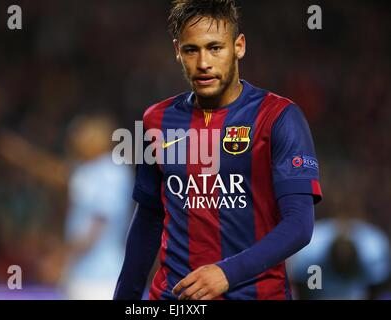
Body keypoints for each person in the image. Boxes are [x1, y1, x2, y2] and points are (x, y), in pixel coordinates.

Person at [114, 0, 322, 300]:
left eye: (215, 48)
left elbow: (299, 225)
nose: (203, 63)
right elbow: (148, 219)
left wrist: (227, 272)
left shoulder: (278, 117)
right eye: (191, 50)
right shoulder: (156, 120)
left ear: (238, 46)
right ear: (177, 51)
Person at [0, 114, 133, 299]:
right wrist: (23, 156)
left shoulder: (111, 172)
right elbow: (57, 173)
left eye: (83, 136)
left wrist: (60, 258)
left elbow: (97, 226)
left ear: (101, 140)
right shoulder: (89, 169)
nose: (76, 141)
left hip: (101, 278)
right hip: (81, 274)